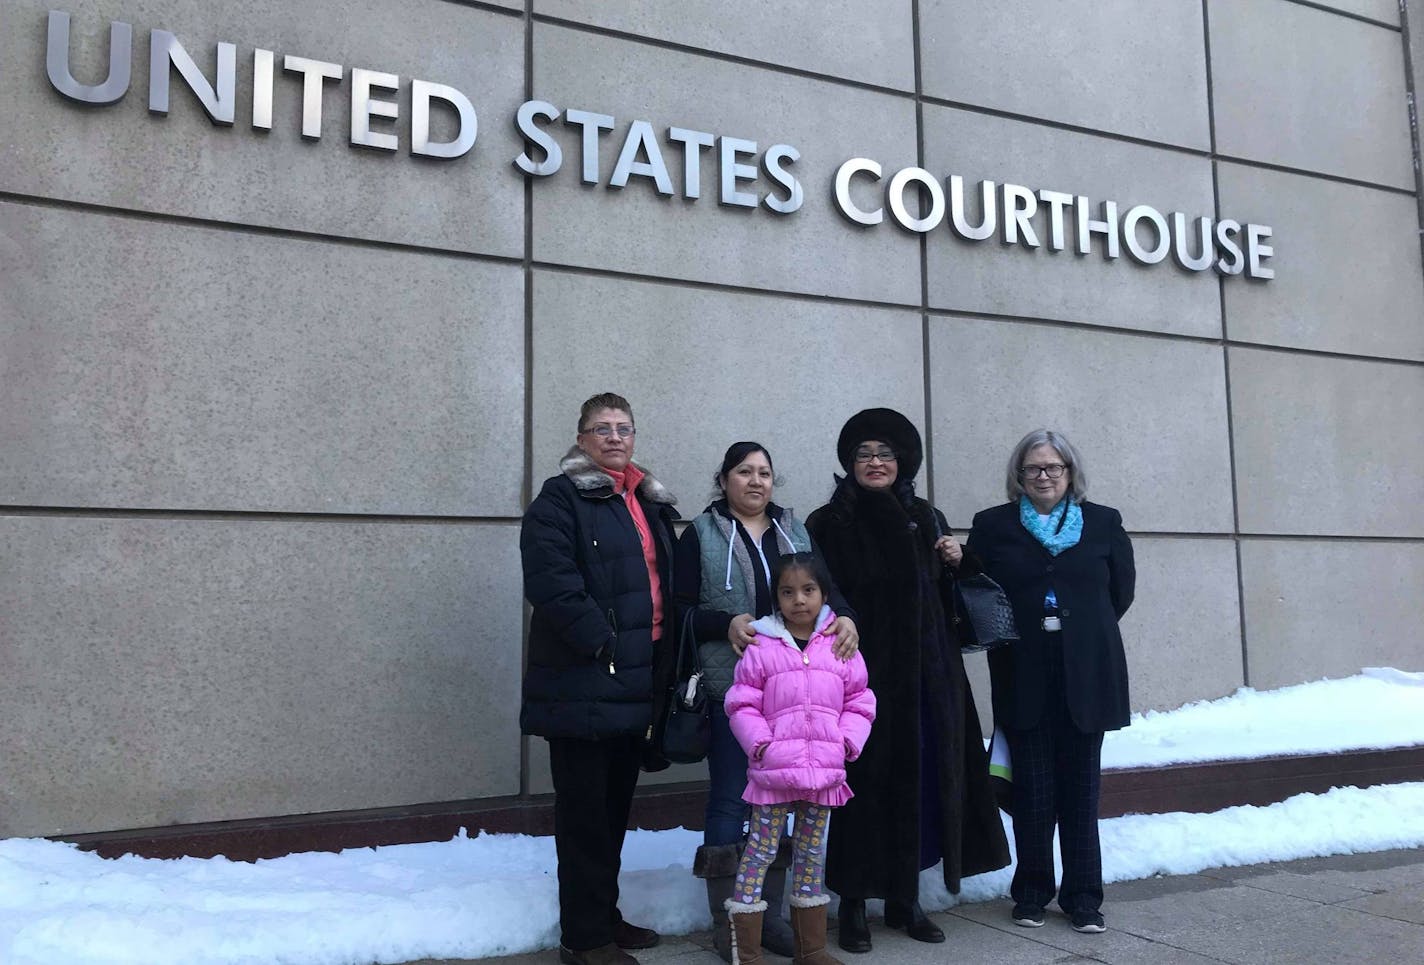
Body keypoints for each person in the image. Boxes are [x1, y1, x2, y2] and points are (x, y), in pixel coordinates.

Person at [806, 408, 1010, 953]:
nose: (875, 463)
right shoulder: (829, 523)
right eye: (864, 455)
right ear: (850, 465)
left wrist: (958, 559)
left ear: (903, 462)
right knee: (861, 789)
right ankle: (851, 900)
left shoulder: (927, 516)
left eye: (885, 454)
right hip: (861, 680)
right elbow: (818, 594)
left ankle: (905, 898)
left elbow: (956, 598)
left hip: (929, 678)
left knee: (922, 784)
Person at [674, 442, 860, 961]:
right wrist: (724, 622)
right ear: (725, 479)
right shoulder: (701, 534)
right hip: (733, 688)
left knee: (783, 805)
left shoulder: (794, 530)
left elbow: (825, 588)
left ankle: (774, 922)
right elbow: (682, 609)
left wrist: (843, 615)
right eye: (744, 472)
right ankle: (729, 925)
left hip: (796, 694)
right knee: (733, 800)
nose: (755, 481)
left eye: (764, 473)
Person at [520, 392, 679, 965]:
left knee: (612, 814)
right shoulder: (559, 499)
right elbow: (551, 582)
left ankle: (602, 918)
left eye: (623, 428)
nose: (614, 437)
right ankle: (583, 942)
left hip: (637, 682)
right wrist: (604, 644)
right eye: (601, 428)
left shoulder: (646, 500)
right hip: (585, 682)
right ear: (581, 438)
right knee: (585, 816)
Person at [966, 428, 1135, 935]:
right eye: (1033, 469)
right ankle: (1033, 892)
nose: (1043, 476)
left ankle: (1084, 898)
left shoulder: (1103, 522)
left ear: (1070, 473)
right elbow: (979, 593)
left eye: (1053, 468)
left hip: (1087, 674)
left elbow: (1119, 594)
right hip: (1023, 673)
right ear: (1019, 477)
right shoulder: (992, 525)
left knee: (1081, 793)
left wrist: (1080, 632)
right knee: (1034, 793)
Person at [722, 552, 876, 965]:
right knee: (760, 851)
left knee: (811, 854)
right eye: (787, 592)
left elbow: (860, 700)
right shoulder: (762, 644)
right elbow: (741, 703)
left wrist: (845, 742)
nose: (799, 601)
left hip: (823, 775)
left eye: (808, 590)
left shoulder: (840, 645)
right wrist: (760, 744)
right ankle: (748, 953)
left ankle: (812, 949)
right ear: (776, 598)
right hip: (773, 775)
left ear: (824, 593)